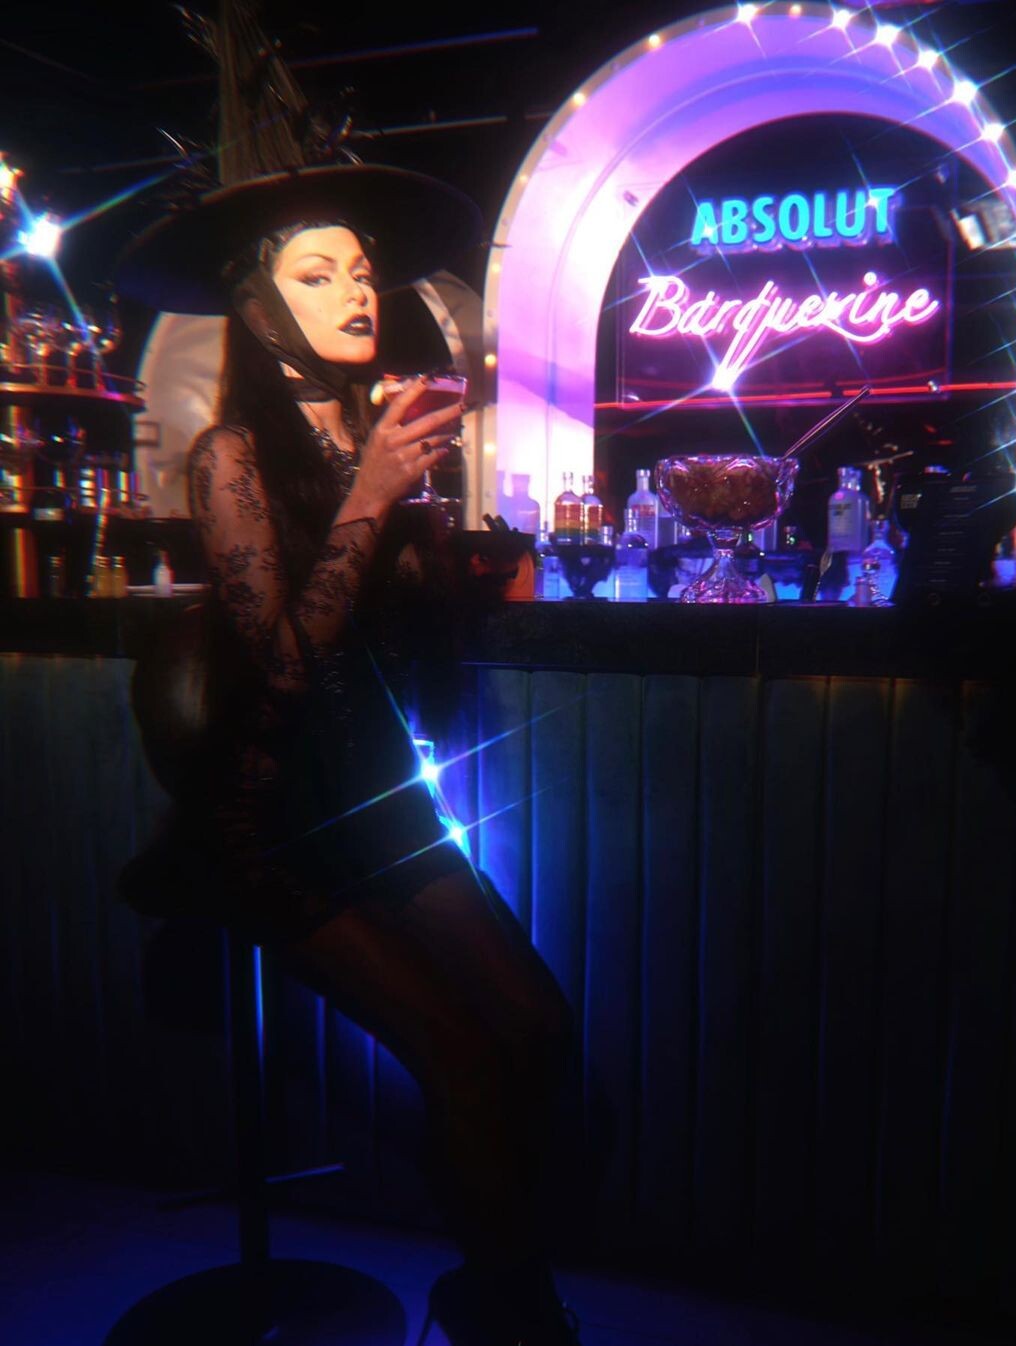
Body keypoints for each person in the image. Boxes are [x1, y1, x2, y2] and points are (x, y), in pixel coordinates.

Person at [117, 165, 578, 1346]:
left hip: (377, 799)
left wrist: (441, 531)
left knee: (537, 1024)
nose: (358, 291)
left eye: (364, 270)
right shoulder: (230, 455)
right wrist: (372, 493)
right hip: (268, 812)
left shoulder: (383, 436)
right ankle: (511, 1310)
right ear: (259, 308)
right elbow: (283, 674)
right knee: (464, 1056)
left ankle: (493, 1275)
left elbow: (405, 654)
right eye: (318, 274)